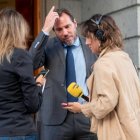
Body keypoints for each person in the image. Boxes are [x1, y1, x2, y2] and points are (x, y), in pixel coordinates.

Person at [64, 14, 140, 140]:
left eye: (89, 37)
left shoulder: (103, 64)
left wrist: (82, 108)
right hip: (132, 130)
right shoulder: (123, 57)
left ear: (100, 36)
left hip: (117, 133)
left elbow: (106, 103)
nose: (87, 42)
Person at [29, 6, 98, 140]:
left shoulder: (90, 45)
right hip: (54, 120)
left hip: (86, 117)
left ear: (75, 23)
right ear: (54, 31)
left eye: (68, 26)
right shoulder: (48, 45)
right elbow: (31, 63)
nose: (65, 32)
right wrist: (45, 31)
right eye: (59, 29)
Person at [0, 8, 45, 140]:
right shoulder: (20, 56)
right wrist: (38, 84)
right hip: (19, 131)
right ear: (18, 30)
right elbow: (33, 105)